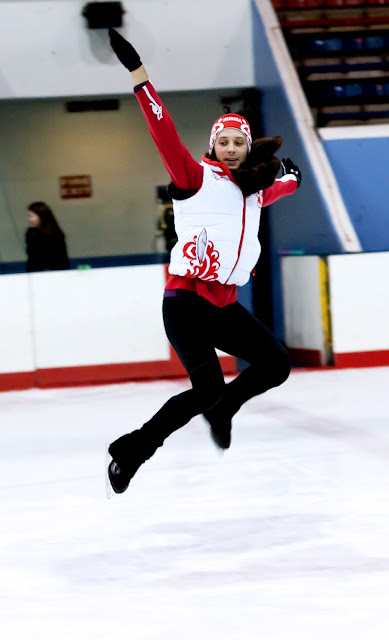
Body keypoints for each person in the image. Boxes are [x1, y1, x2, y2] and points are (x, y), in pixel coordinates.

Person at [106, 28, 302, 494]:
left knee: (275, 363)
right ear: (213, 145)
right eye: (225, 141)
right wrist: (139, 75)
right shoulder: (193, 177)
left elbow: (277, 189)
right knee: (207, 386)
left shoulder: (252, 190)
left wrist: (293, 180)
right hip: (186, 303)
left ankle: (224, 408)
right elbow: (162, 129)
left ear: (247, 147)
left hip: (224, 305)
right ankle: (133, 451)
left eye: (239, 142)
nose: (231, 148)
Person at [25, 202, 70, 272]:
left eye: (31, 216)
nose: (29, 219)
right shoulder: (30, 232)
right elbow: (31, 258)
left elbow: (62, 259)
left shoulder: (56, 235)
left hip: (55, 273)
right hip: (34, 273)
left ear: (41, 216)